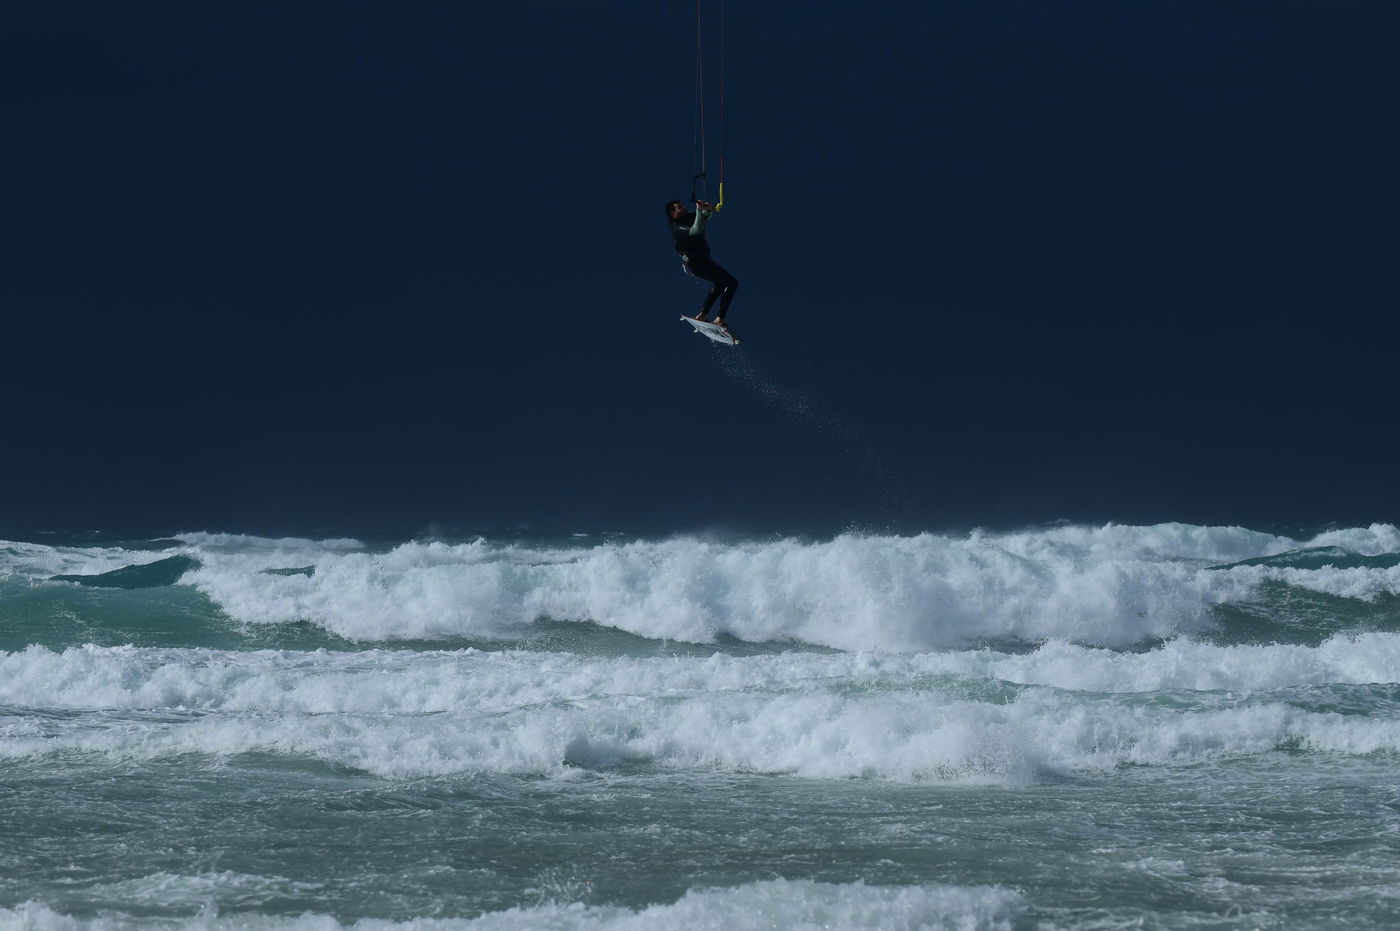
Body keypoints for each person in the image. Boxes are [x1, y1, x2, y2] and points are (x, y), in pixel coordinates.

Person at [666, 199, 738, 328]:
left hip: (704, 261)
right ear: (673, 214)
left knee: (720, 284)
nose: (684, 208)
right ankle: (719, 319)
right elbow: (696, 230)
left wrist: (708, 210)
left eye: (683, 206)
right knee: (731, 283)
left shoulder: (688, 215)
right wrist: (700, 210)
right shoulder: (675, 227)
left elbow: (704, 217)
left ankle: (702, 316)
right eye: (680, 207)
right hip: (695, 264)